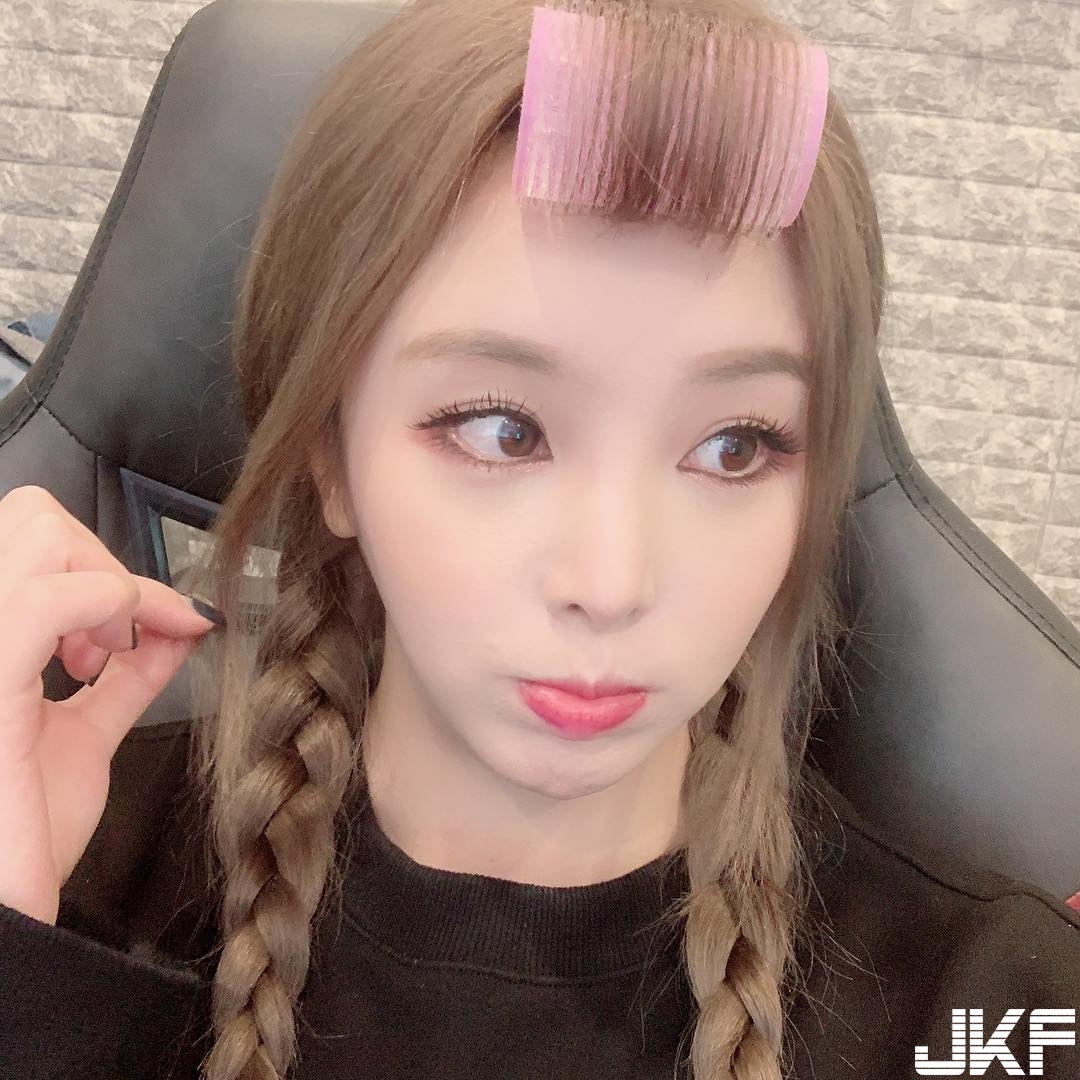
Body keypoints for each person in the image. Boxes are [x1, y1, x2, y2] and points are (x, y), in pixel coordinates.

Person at [0, 0, 1077, 1078]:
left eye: (735, 448)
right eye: (502, 431)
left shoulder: (997, 1015)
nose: (610, 584)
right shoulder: (58, 878)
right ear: (331, 456)